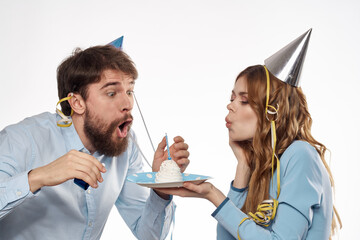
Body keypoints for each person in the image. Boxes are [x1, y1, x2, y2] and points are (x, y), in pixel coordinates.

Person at [157, 29, 341, 239]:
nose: (230, 105)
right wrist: (242, 169)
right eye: (232, 97)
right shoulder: (262, 167)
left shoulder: (300, 155)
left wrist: (213, 195)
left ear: (273, 112)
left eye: (244, 101)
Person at [0, 37, 190, 239]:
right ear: (77, 103)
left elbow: (149, 235)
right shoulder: (23, 138)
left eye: (129, 91)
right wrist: (39, 177)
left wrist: (161, 190)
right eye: (111, 93)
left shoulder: (127, 146)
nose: (128, 103)